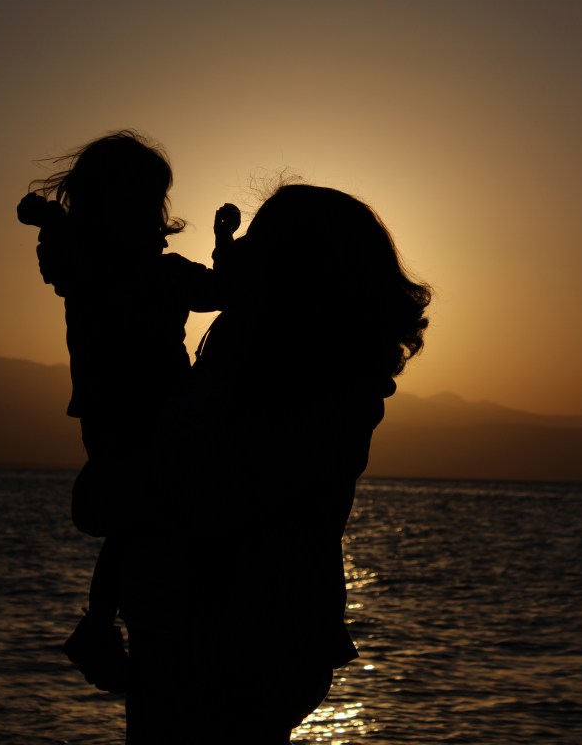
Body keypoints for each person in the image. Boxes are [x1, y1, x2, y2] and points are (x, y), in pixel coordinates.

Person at [119, 181, 431, 744]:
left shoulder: (312, 390)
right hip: (257, 636)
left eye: (258, 246)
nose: (240, 255)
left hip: (234, 641)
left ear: (295, 272)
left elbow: (206, 492)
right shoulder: (313, 378)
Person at [17, 129, 241, 692]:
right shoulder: (142, 273)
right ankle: (105, 626)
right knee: (148, 518)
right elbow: (227, 291)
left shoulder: (87, 268)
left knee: (135, 523)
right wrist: (225, 243)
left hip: (112, 416)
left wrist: (51, 220)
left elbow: (58, 248)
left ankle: (99, 623)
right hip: (159, 416)